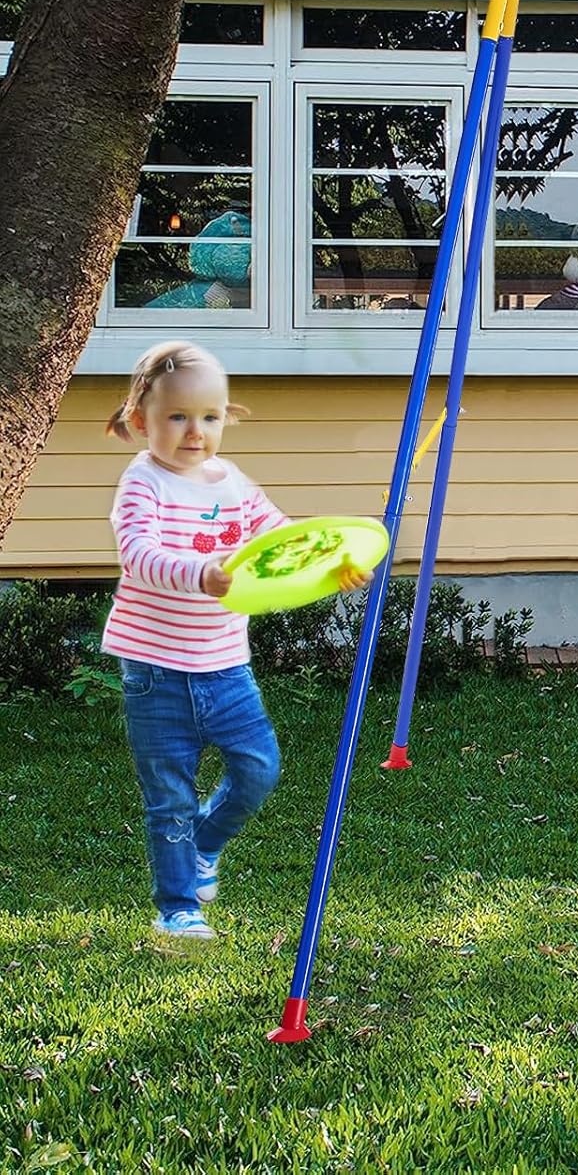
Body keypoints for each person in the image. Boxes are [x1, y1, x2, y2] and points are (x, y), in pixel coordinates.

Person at [101, 340, 369, 940]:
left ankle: (205, 843)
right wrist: (202, 573)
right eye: (177, 417)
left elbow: (282, 542)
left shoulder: (233, 483)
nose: (195, 432)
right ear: (141, 420)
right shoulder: (142, 484)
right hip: (156, 671)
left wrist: (336, 566)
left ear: (227, 417)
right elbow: (138, 555)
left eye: (210, 416)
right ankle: (178, 908)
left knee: (258, 769)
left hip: (224, 666)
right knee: (168, 794)